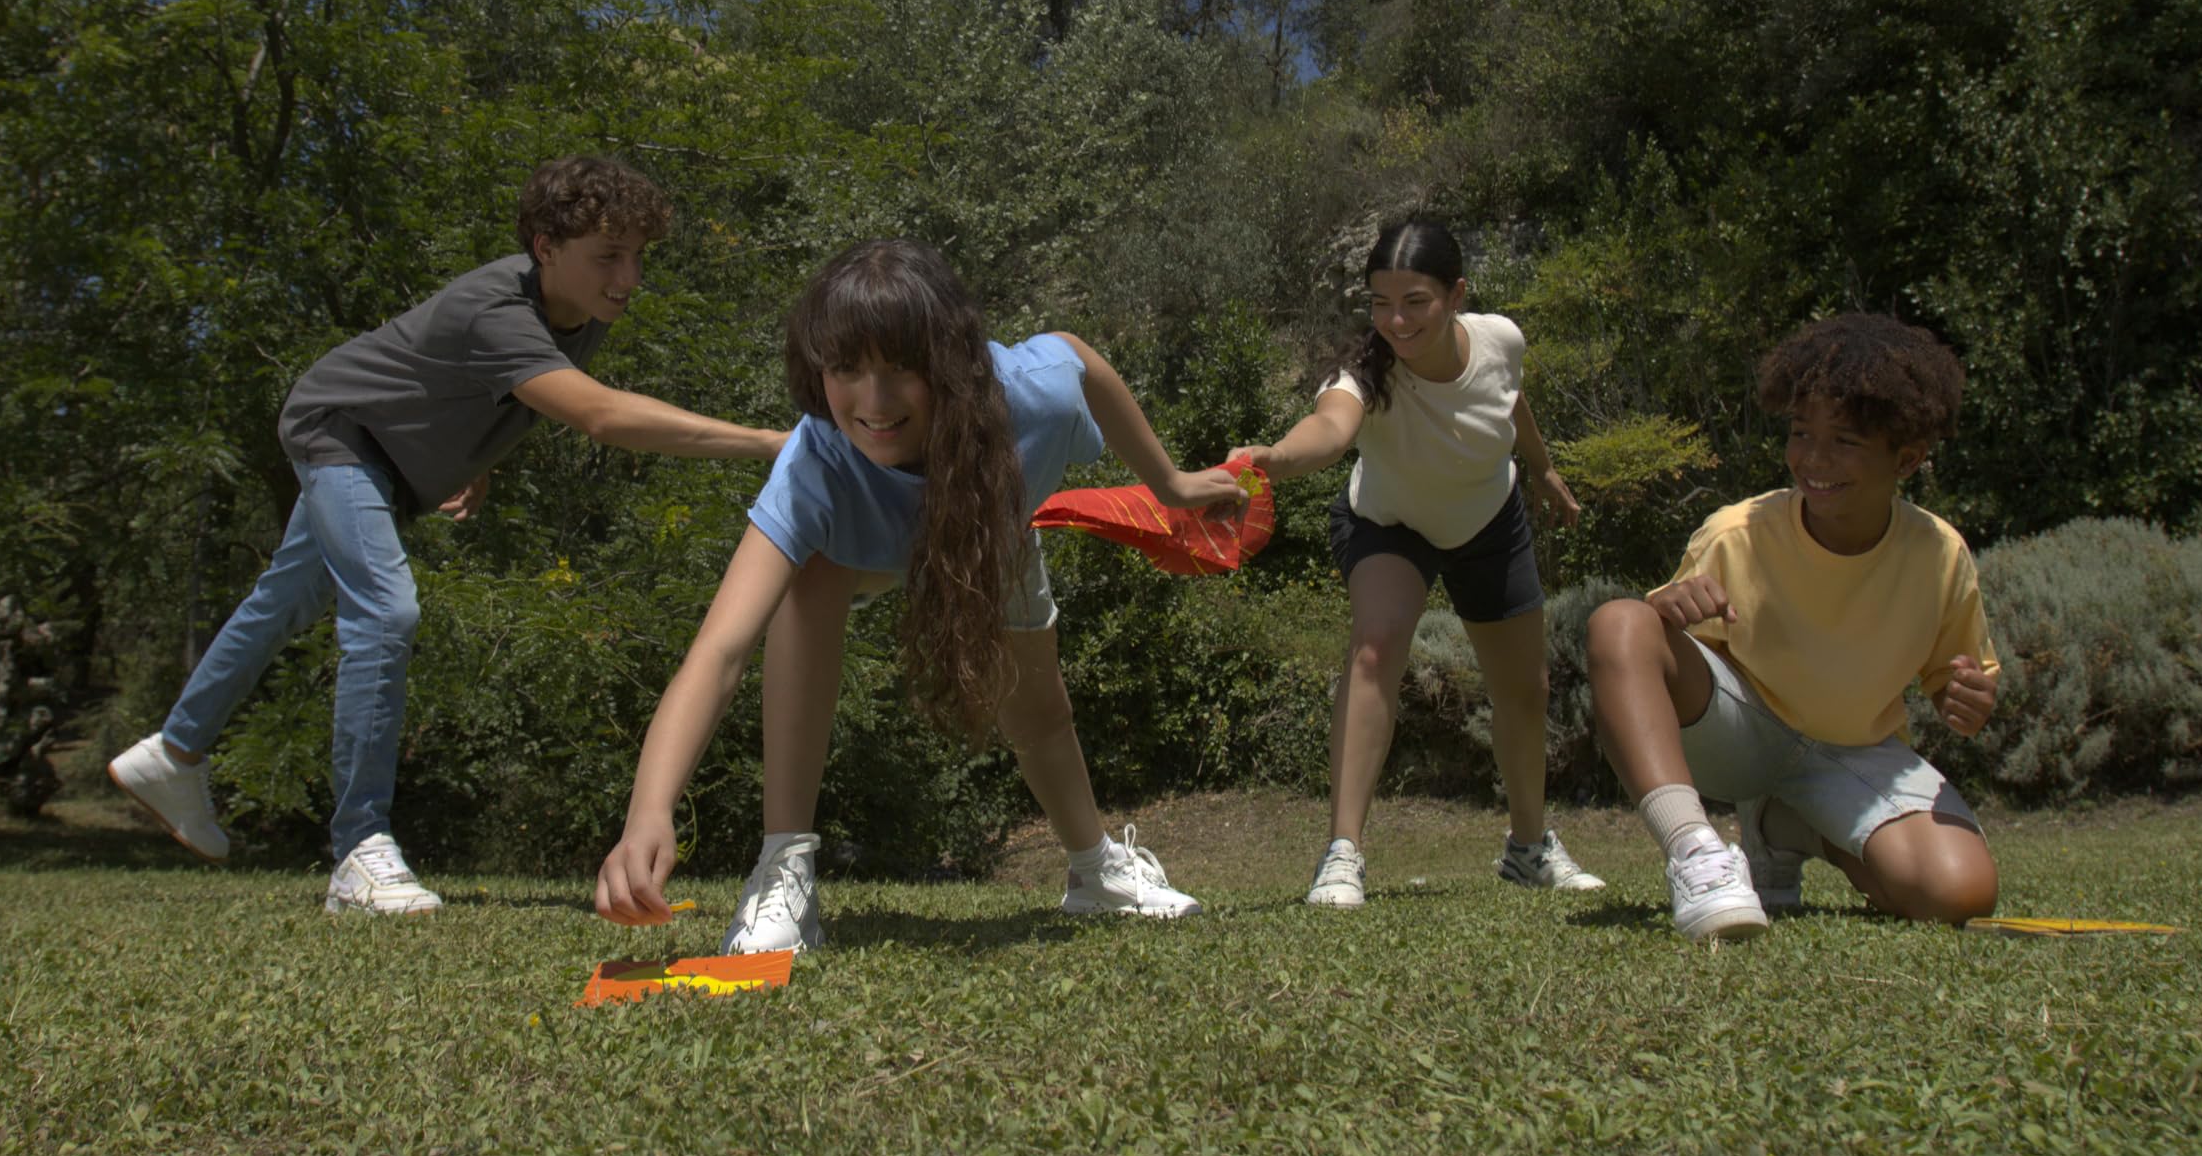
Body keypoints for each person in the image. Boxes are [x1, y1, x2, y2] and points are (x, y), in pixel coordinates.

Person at [110, 157, 787, 914]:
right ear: (544, 246)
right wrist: (767, 441)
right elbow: (599, 414)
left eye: (636, 256)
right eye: (608, 256)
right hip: (340, 430)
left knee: (286, 600)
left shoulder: (580, 313)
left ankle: (173, 752)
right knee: (386, 611)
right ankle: (358, 853)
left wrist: (475, 458)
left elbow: (487, 391)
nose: (627, 277)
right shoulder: (497, 308)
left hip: (390, 461)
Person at [594, 239, 1248, 953]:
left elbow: (1078, 357)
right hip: (858, 548)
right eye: (846, 369)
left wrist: (1172, 485)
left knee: (1038, 710)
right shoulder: (816, 463)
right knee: (804, 575)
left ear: (951, 361)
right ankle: (783, 868)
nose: (872, 404)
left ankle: (1097, 871)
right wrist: (648, 809)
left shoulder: (1031, 394)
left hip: (986, 525)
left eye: (901, 369)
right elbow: (718, 651)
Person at [1583, 312, 2000, 943]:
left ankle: (1787, 827)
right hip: (1741, 734)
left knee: (1958, 893)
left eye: (1847, 442)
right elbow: (1655, 655)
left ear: (1907, 458)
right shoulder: (1736, 533)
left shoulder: (1940, 554)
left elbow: (1954, 680)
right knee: (1618, 622)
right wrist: (1668, 612)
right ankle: (1697, 853)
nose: (1813, 459)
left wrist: (1962, 699)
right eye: (1802, 432)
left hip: (1853, 756)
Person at [1225, 217, 1601, 909]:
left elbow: (1510, 396)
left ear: (1456, 293)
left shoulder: (1501, 338)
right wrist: (1274, 458)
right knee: (1377, 644)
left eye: (1415, 301)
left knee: (1527, 688)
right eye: (1380, 302)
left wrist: (1543, 468)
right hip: (1388, 524)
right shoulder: (1366, 375)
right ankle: (1342, 852)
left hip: (1488, 520)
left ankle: (1528, 848)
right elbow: (1329, 432)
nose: (1395, 320)